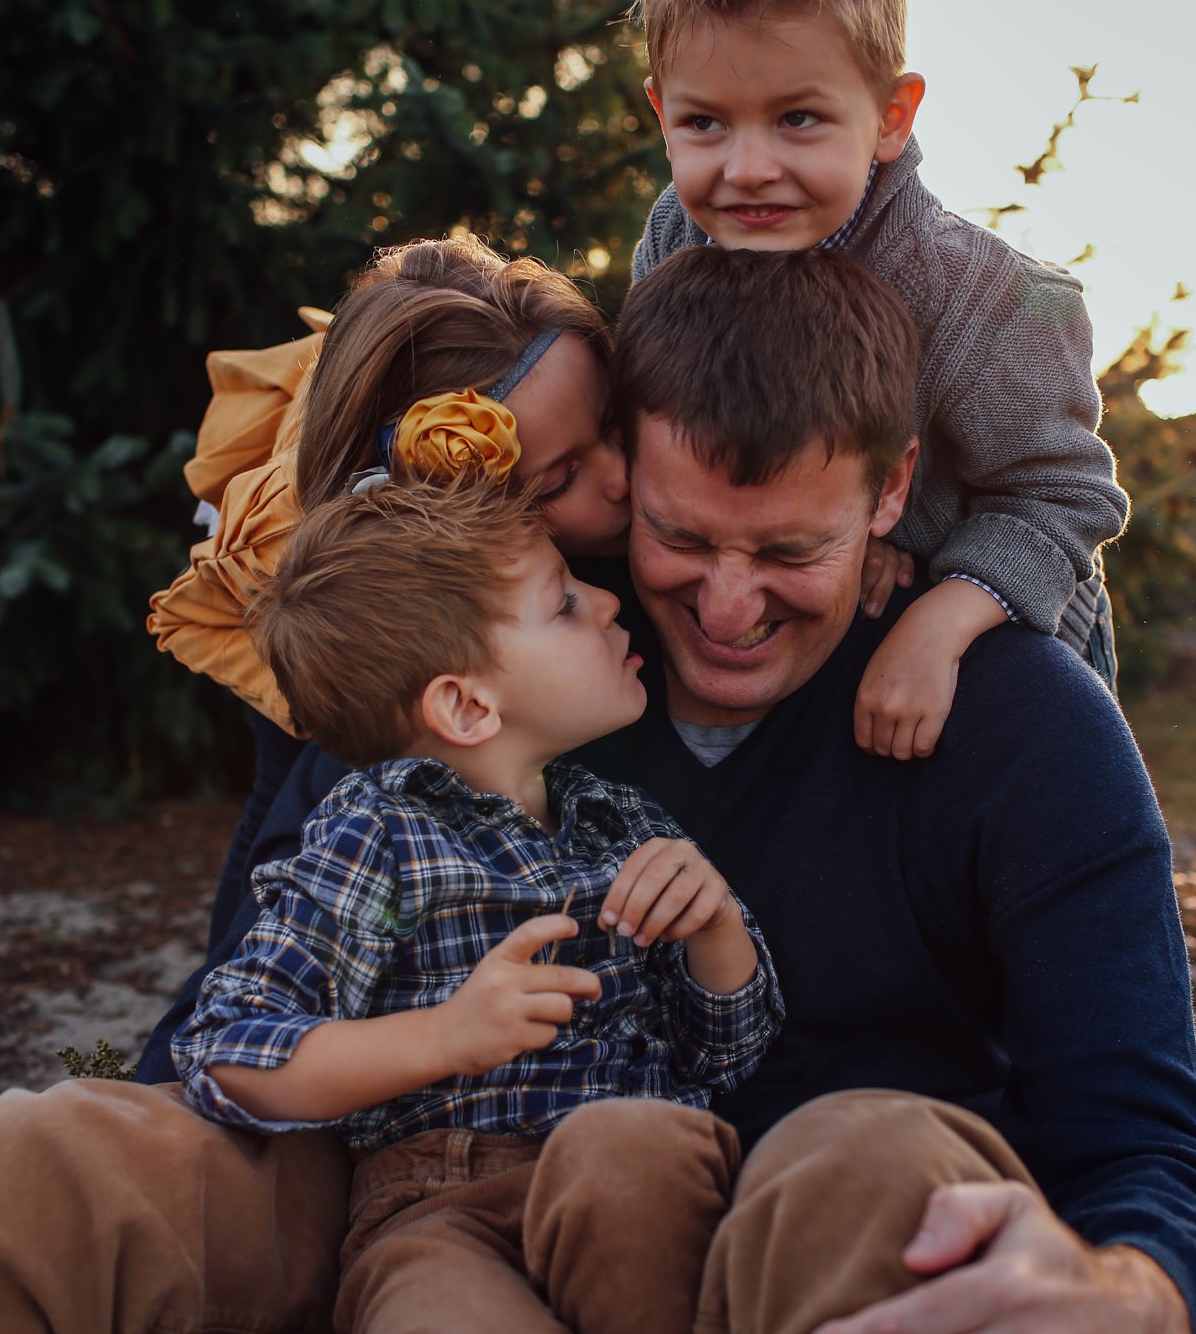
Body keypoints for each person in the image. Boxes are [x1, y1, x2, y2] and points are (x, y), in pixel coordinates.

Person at [0, 248, 1196, 1334]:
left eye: (790, 551)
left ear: (889, 493)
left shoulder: (1020, 725)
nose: (725, 604)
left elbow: (1146, 1142)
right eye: (671, 535)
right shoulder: (525, 650)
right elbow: (261, 979)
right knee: (49, 1152)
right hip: (413, 1187)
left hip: (755, 1201)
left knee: (868, 1159)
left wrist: (1130, 1289)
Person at [175, 471, 781, 1332]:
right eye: (564, 604)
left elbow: (726, 1055)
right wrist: (443, 1035)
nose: (608, 603)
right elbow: (227, 1046)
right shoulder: (377, 832)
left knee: (640, 1155)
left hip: (632, 1175)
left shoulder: (624, 824)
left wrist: (715, 925)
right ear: (465, 704)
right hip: (437, 1204)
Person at [630, 0, 1130, 761]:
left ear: (890, 117)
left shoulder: (983, 297)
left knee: (1002, 805)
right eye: (705, 123)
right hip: (809, 590)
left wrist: (946, 614)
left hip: (999, 615)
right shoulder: (675, 235)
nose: (748, 166)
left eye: (798, 118)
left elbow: (1062, 496)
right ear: (662, 113)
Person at [144, 236, 631, 952]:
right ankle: (226, 980)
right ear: (456, 520)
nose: (623, 477)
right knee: (285, 794)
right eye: (560, 482)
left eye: (616, 428)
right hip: (306, 581)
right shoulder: (367, 593)